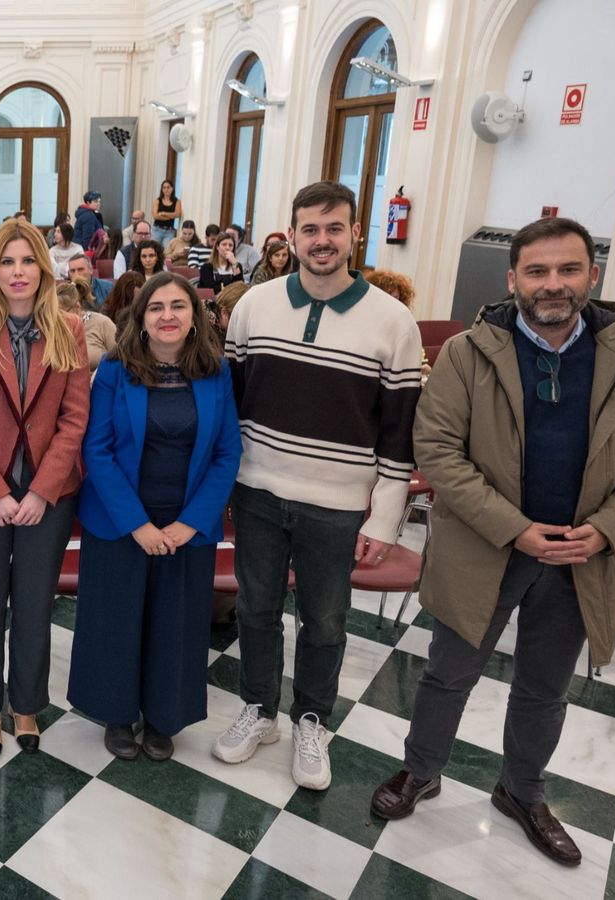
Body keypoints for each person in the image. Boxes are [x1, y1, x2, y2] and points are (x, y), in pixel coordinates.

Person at [368, 216, 615, 866]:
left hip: (582, 555)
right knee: (447, 674)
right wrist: (516, 529)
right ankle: (422, 770)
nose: (553, 284)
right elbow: (437, 449)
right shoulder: (467, 351)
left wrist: (608, 529)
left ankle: (522, 791)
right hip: (484, 546)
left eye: (568, 270)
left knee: (544, 688)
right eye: (537, 271)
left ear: (592, 276)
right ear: (512, 278)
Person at [216, 181, 422, 790]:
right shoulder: (255, 305)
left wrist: (385, 519)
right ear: (293, 234)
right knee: (254, 610)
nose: (322, 240)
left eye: (334, 228)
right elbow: (230, 404)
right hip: (257, 489)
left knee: (325, 621)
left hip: (338, 504)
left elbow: (399, 433)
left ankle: (311, 720)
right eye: (310, 229)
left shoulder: (393, 320)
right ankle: (259, 709)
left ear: (354, 233)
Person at [69, 272, 242, 761]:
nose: (168, 315)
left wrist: (190, 522)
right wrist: (138, 526)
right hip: (120, 519)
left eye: (178, 306)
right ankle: (117, 713)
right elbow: (96, 450)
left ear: (194, 318)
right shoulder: (116, 370)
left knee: (176, 623)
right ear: (141, 319)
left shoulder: (216, 370)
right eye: (156, 307)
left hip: (189, 522)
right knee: (116, 620)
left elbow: (228, 452)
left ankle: (165, 717)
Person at [0, 221, 89, 759]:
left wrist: (40, 492)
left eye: (28, 262)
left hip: (47, 496)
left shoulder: (69, 330)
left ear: (44, 270)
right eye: (8, 262)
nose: (18, 272)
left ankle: (26, 704)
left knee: (33, 605)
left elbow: (75, 421)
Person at [58, 282, 115, 371]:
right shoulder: (54, 328)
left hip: (99, 381)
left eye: (62, 314)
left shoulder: (102, 322)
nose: (58, 319)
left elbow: (120, 359)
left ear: (77, 307)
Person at [151, 180, 182, 244]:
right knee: (154, 249)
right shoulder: (157, 200)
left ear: (172, 188)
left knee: (166, 251)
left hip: (169, 231)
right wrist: (171, 216)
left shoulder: (177, 201)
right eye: (164, 188)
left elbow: (177, 214)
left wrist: (164, 213)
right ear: (162, 189)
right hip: (157, 229)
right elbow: (155, 216)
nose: (166, 189)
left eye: (168, 187)